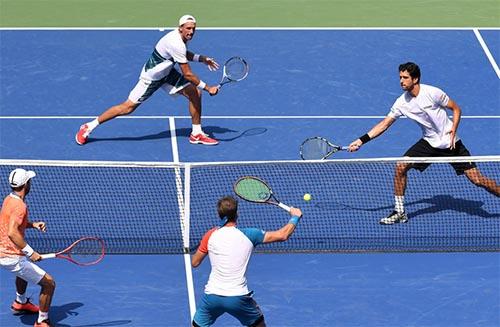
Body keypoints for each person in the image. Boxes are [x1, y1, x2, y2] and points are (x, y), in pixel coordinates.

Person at [348, 62, 499, 225]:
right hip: (429, 143)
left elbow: (456, 109)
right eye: (400, 77)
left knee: (478, 180)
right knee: (400, 167)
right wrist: (361, 140)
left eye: (405, 78)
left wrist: (453, 129)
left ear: (415, 79)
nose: (401, 81)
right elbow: (384, 124)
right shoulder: (401, 103)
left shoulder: (433, 93)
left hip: (451, 144)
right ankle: (399, 211)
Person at [75, 14, 221, 146]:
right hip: (152, 77)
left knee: (195, 92)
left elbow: (183, 54)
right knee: (127, 108)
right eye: (188, 28)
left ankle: (196, 133)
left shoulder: (181, 38)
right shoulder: (175, 43)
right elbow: (188, 74)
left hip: (167, 72)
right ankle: (89, 126)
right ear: (180, 28)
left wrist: (201, 59)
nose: (191, 32)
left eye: (193, 29)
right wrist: (208, 88)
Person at [191, 196, 303, 327]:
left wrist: (207, 245)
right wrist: (295, 216)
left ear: (219, 215)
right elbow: (283, 235)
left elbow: (195, 262)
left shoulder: (210, 235)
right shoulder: (251, 234)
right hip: (238, 298)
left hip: (212, 297)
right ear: (237, 214)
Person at [0, 169, 56, 327]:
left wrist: (32, 224)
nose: (31, 183)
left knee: (22, 271)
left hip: (2, 251)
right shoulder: (20, 207)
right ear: (25, 184)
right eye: (29, 181)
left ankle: (20, 302)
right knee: (49, 284)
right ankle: (42, 320)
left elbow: (10, 223)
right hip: (10, 256)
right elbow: (12, 232)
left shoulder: (9, 199)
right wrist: (31, 252)